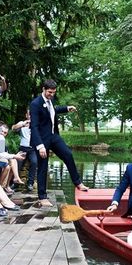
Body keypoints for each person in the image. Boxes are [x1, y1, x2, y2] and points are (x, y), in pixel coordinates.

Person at [29, 79, 88, 207]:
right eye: (50, 92)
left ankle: (77, 182)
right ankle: (42, 197)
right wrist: (40, 146)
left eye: (54, 92)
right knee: (43, 167)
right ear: (43, 89)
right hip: (41, 140)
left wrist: (67, 108)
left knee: (68, 154)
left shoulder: (51, 101)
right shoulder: (35, 104)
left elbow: (53, 110)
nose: (52, 94)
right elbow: (33, 127)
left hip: (53, 136)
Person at [12, 111, 37, 192]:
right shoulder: (22, 123)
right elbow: (13, 128)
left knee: (34, 162)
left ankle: (30, 183)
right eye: (29, 114)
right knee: (18, 163)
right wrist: (23, 124)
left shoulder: (37, 123)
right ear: (26, 115)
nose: (30, 115)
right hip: (23, 148)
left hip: (33, 149)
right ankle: (15, 183)